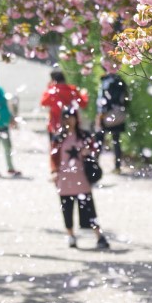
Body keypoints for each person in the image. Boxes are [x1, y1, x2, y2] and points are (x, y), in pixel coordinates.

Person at [52, 107, 109, 249]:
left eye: (71, 117)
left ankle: (99, 235)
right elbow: (53, 156)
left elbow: (94, 151)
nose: (69, 120)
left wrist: (88, 153)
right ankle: (70, 235)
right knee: (67, 208)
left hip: (81, 177)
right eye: (66, 117)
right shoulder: (59, 137)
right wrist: (54, 171)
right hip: (65, 178)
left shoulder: (83, 136)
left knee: (89, 208)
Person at [40, 69, 88, 174]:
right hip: (71, 125)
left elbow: (43, 102)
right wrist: (84, 94)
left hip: (54, 126)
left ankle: (55, 170)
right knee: (72, 146)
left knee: (55, 149)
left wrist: (49, 87)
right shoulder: (72, 89)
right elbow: (83, 103)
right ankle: (72, 168)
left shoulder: (52, 91)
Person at [95, 71, 129, 173]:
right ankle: (117, 166)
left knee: (99, 139)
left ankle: (95, 165)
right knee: (116, 140)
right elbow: (126, 98)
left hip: (107, 114)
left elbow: (104, 100)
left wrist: (101, 114)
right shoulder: (120, 81)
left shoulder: (107, 82)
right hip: (118, 113)